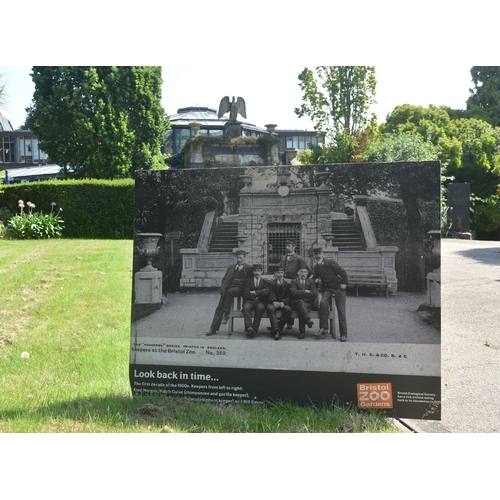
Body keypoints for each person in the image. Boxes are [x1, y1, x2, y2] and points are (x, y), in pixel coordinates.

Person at [206, 249, 253, 336]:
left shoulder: (249, 268)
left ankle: (226, 314)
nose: (238, 259)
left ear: (245, 258)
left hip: (241, 289)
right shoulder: (231, 267)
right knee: (220, 306)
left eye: (240, 258)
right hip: (229, 289)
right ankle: (213, 328)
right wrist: (222, 289)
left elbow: (251, 282)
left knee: (230, 292)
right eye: (237, 257)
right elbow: (225, 279)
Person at [312, 247, 349, 342]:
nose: (318, 256)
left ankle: (343, 334)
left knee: (341, 311)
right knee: (323, 304)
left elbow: (343, 272)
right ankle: (323, 328)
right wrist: (315, 280)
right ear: (314, 255)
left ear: (322, 254)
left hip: (338, 288)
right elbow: (315, 279)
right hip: (327, 289)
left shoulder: (330, 262)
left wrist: (344, 283)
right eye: (316, 254)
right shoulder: (316, 267)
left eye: (319, 253)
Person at [280, 239, 309, 329]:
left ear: (294, 247)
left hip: (293, 283)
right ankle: (284, 321)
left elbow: (306, 269)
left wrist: (297, 279)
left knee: (293, 301)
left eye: (289, 246)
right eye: (286, 246)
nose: (287, 248)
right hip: (284, 282)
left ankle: (290, 323)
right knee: (285, 300)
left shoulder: (299, 258)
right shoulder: (283, 257)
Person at [289, 264, 318, 339]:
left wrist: (301, 297)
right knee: (301, 304)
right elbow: (293, 293)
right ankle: (307, 320)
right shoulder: (294, 281)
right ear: (298, 273)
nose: (303, 274)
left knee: (302, 306)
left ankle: (302, 332)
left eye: (305, 272)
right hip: (295, 303)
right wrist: (305, 291)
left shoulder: (311, 282)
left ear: (307, 273)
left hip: (308, 303)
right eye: (301, 272)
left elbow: (314, 293)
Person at [242, 263, 269, 338]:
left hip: (260, 302)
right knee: (246, 307)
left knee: (260, 308)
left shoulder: (265, 282)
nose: (257, 273)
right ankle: (249, 328)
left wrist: (255, 292)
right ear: (253, 272)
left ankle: (255, 329)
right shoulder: (247, 281)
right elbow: (245, 293)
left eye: (258, 271)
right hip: (249, 301)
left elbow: (266, 292)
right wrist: (259, 293)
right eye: (255, 271)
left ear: (261, 272)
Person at [266, 267, 293, 340]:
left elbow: (289, 296)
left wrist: (283, 302)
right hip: (273, 303)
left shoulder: (287, 284)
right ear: (275, 274)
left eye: (281, 273)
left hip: (283, 303)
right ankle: (277, 331)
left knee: (288, 310)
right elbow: (270, 294)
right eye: (278, 273)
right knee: (270, 308)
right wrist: (274, 301)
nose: (280, 275)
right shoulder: (270, 283)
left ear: (284, 274)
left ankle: (276, 329)